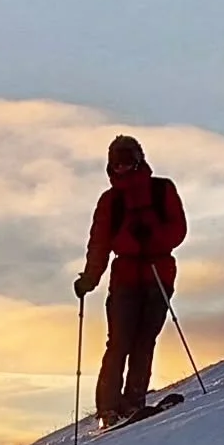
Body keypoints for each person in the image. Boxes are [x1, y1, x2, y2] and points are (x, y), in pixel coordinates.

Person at [74, 135, 188, 428]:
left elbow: (178, 230)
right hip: (128, 278)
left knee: (143, 342)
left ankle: (131, 402)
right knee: (120, 343)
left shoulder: (162, 190)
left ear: (138, 159)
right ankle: (109, 409)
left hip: (157, 274)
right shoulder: (111, 202)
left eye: (126, 159)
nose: (122, 166)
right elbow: (99, 244)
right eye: (117, 161)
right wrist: (89, 278)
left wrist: (152, 236)